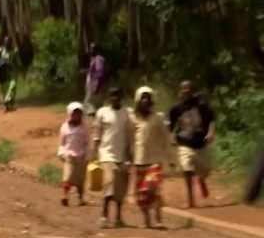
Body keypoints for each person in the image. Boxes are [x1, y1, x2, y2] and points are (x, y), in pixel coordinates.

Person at [167, 80, 216, 208]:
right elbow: (171, 125)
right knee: (186, 168)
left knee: (206, 170)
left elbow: (211, 120)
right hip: (184, 143)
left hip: (200, 143)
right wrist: (169, 138)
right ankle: (191, 199)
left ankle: (201, 179)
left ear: (193, 90)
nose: (186, 91)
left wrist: (210, 133)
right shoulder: (176, 107)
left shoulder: (201, 105)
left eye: (189, 89)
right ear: (180, 90)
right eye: (184, 89)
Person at [130, 86, 171, 228]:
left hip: (155, 160)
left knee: (152, 189)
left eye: (148, 98)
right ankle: (147, 219)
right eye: (143, 98)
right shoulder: (132, 118)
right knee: (141, 194)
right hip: (139, 161)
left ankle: (158, 219)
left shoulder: (158, 117)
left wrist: (170, 159)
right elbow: (129, 139)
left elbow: (166, 138)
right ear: (138, 100)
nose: (145, 101)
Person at [92, 88, 133, 228]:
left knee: (120, 189)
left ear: (122, 96)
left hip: (122, 155)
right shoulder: (102, 113)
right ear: (108, 97)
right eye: (112, 95)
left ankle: (118, 218)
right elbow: (97, 134)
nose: (115, 98)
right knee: (109, 183)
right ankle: (104, 216)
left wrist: (129, 155)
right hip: (106, 154)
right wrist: (94, 153)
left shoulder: (127, 114)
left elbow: (129, 136)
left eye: (117, 95)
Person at [58, 102, 90, 206]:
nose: (76, 116)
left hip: (81, 157)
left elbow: (88, 143)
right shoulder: (65, 127)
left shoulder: (84, 128)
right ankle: (64, 196)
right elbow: (61, 143)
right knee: (67, 177)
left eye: (79, 114)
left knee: (80, 180)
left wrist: (86, 154)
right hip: (69, 157)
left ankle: (80, 198)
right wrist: (63, 153)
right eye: (74, 113)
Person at [82, 44, 107, 115]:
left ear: (97, 50)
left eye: (92, 49)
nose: (90, 51)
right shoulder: (95, 59)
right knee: (98, 104)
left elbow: (99, 72)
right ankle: (100, 117)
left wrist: (96, 85)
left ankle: (93, 116)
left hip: (95, 84)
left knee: (88, 103)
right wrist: (87, 71)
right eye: (90, 49)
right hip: (95, 84)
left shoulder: (98, 60)